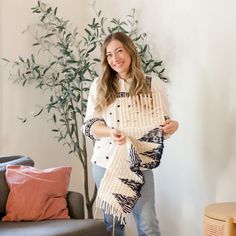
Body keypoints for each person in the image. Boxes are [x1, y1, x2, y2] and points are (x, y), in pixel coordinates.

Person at [82, 32, 178, 236]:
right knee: (114, 227)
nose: (115, 58)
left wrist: (172, 126)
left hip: (139, 163)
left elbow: (161, 125)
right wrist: (109, 131)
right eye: (109, 55)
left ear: (130, 51)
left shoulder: (152, 84)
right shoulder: (99, 85)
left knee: (148, 224)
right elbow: (90, 126)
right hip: (105, 164)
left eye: (119, 51)